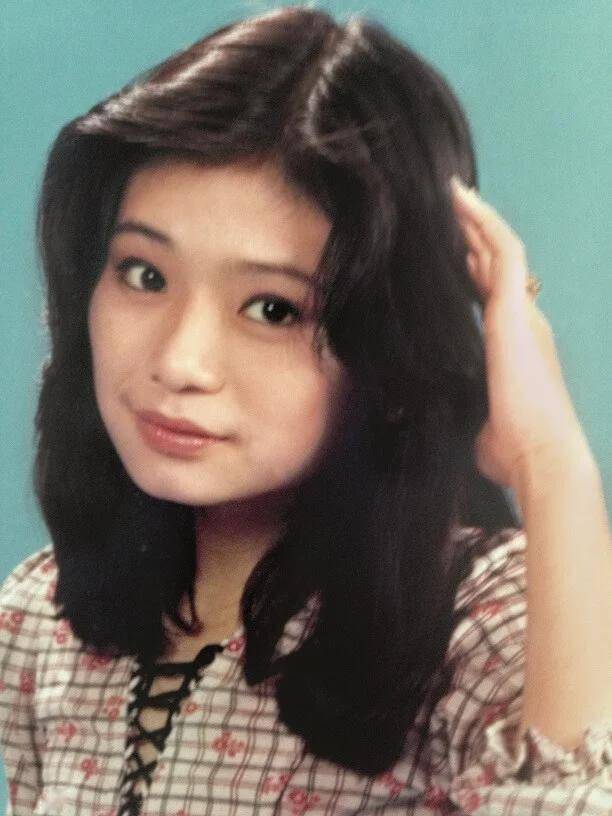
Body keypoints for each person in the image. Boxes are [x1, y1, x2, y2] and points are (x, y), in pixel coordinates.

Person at [0, 5, 610, 815]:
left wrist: (553, 465)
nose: (179, 363)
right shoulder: (39, 617)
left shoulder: (486, 618)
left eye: (274, 309)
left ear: (387, 339)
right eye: (145, 275)